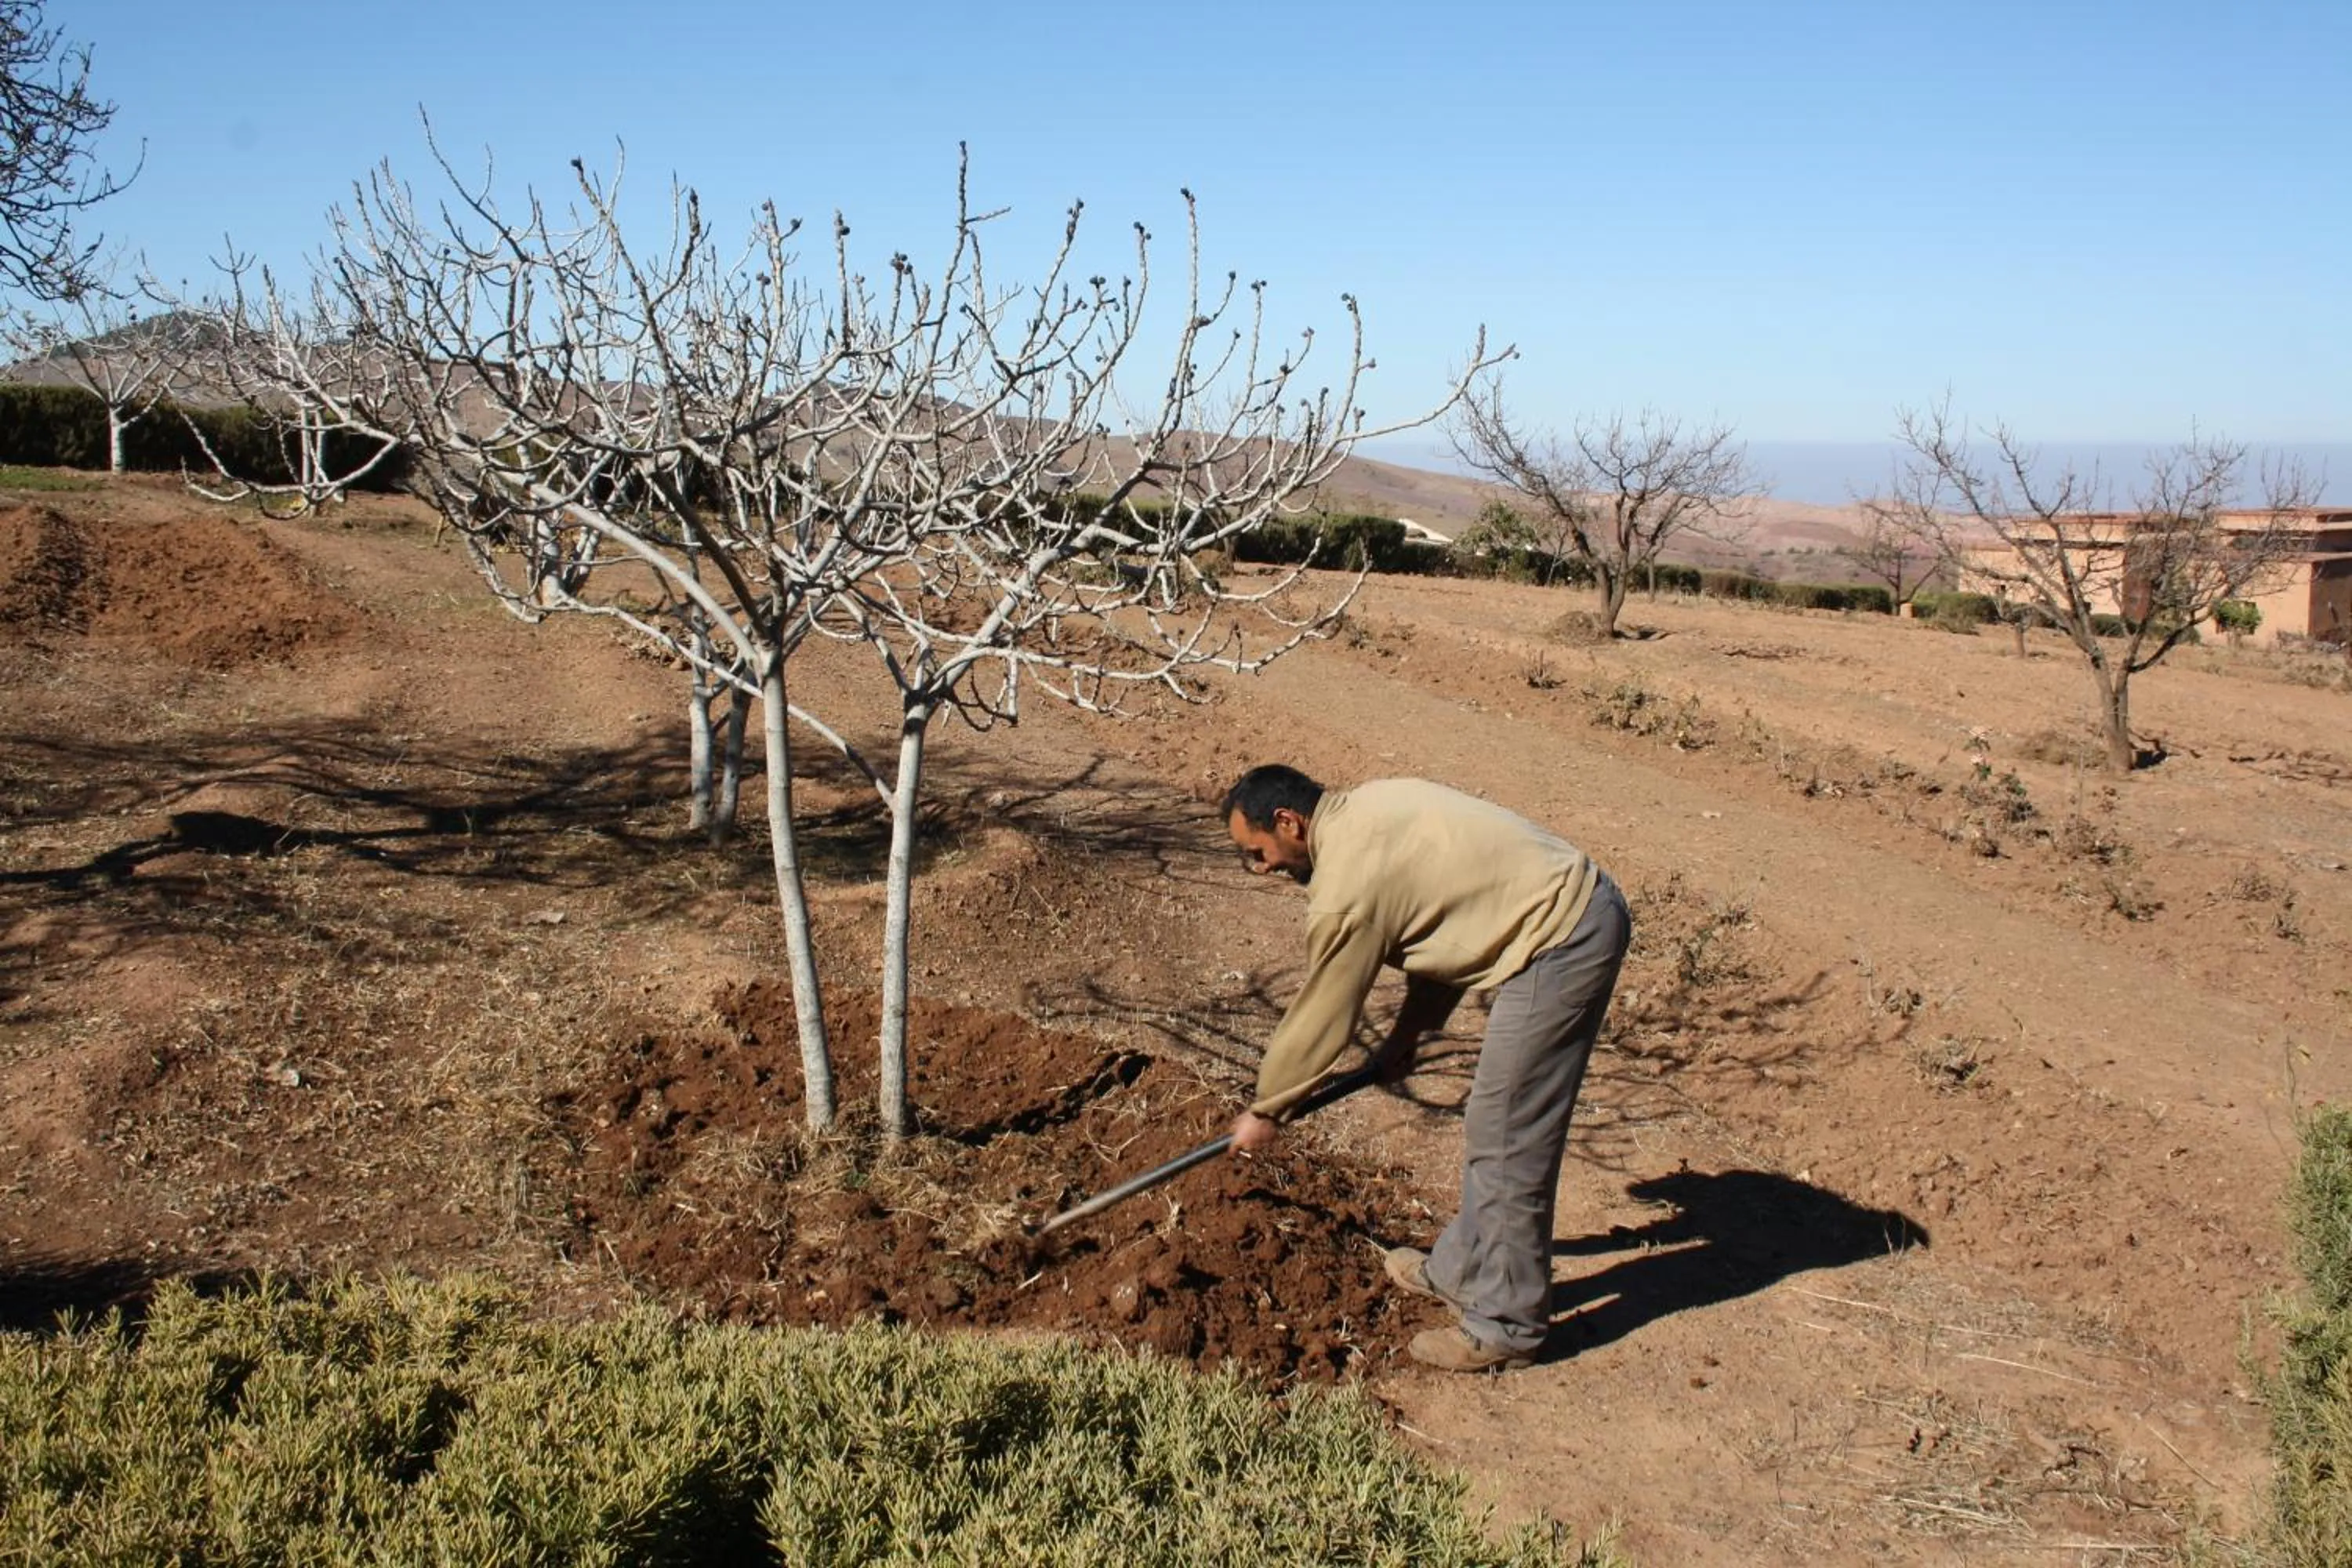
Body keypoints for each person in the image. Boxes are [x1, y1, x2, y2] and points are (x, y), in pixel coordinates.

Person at [1221, 764, 1632, 1373]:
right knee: (1493, 1129)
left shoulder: (1345, 886)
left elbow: (1324, 1012)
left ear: (1289, 823)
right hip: (1557, 914)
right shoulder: (1369, 809)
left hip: (1562, 936)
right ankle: (1458, 1271)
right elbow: (1443, 928)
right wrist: (1405, 1038)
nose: (1262, 868)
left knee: (1506, 1136)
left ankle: (1508, 1326)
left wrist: (1269, 1106)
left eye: (1258, 852)